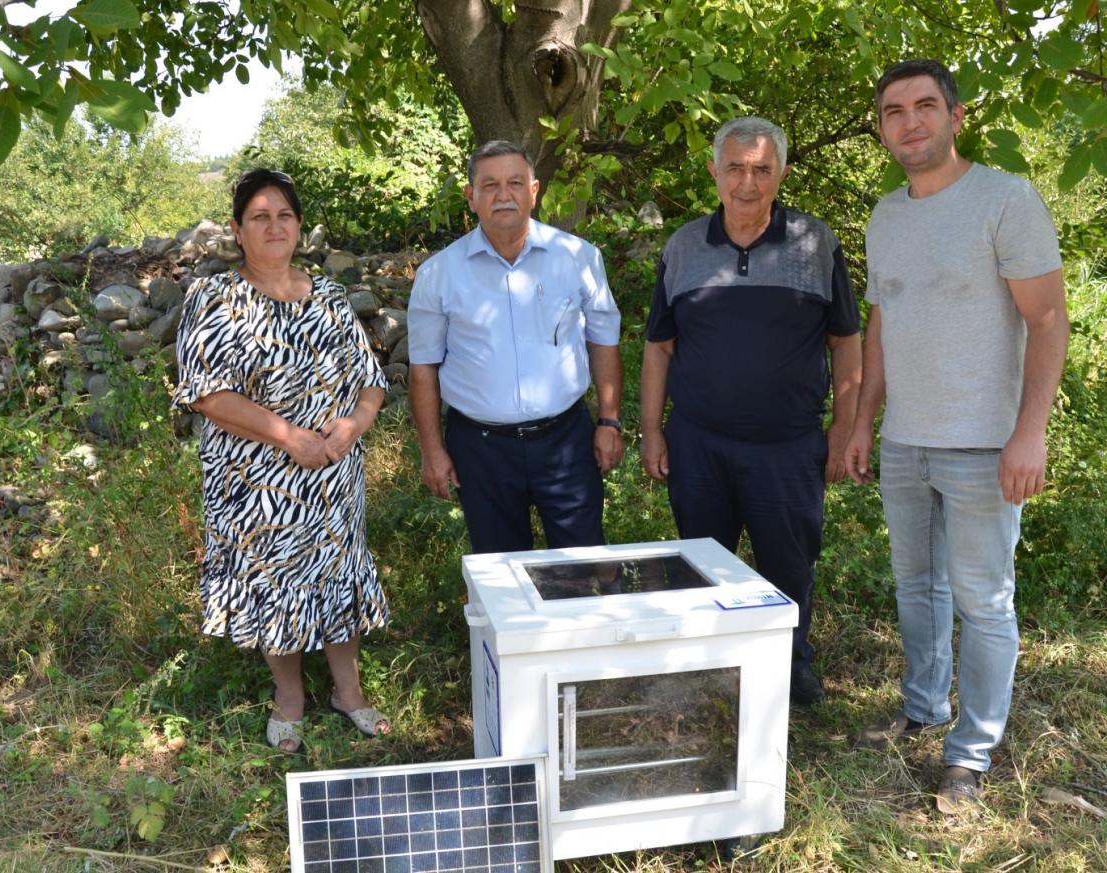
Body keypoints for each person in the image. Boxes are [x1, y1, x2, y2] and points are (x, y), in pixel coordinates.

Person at [844, 59, 1069, 814]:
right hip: (907, 441)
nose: (910, 121)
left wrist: (1028, 432)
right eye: (894, 112)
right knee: (917, 587)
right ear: (881, 129)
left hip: (985, 443)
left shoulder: (1005, 199)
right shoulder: (885, 216)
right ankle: (922, 706)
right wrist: (862, 421)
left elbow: (1047, 319)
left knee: (984, 601)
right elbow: (882, 324)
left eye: (925, 106)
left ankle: (970, 753)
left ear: (956, 116)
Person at [640, 116, 862, 706]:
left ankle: (791, 667)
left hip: (788, 446)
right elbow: (658, 348)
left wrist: (844, 428)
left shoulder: (817, 244)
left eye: (762, 169)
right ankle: (711, 667)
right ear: (714, 172)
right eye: (735, 168)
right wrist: (650, 431)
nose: (747, 182)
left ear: (782, 174)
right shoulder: (684, 246)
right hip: (698, 443)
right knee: (703, 564)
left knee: (789, 565)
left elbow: (846, 341)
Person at [173, 168, 391, 753]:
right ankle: (289, 697)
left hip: (332, 474)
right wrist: (290, 437)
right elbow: (205, 391)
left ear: (299, 227)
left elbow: (370, 382)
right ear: (239, 232)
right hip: (256, 482)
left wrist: (353, 424)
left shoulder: (331, 297)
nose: (275, 226)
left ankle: (350, 692)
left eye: (285, 216)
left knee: (338, 576)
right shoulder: (214, 297)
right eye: (260, 217)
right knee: (274, 588)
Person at [407, 141, 624, 554]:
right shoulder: (438, 274)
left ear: (534, 190)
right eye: (489, 185)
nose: (503, 195)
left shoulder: (578, 257)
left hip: (566, 442)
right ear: (470, 197)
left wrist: (610, 422)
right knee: (500, 576)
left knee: (585, 564)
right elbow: (423, 369)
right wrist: (432, 451)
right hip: (481, 450)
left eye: (514, 183)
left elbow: (603, 340)